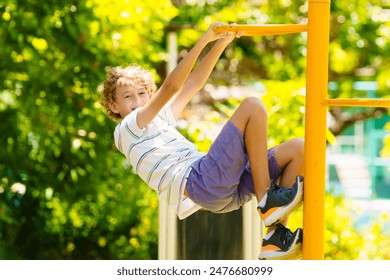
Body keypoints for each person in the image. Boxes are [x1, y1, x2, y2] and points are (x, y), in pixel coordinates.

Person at [100, 22, 304, 260]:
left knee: (299, 149)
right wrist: (205, 38)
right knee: (252, 107)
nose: (137, 100)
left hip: (222, 190)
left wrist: (222, 42)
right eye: (128, 97)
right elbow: (172, 86)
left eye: (142, 94)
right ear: (114, 106)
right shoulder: (128, 127)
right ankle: (268, 202)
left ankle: (275, 238)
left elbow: (192, 84)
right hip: (201, 180)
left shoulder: (159, 120)